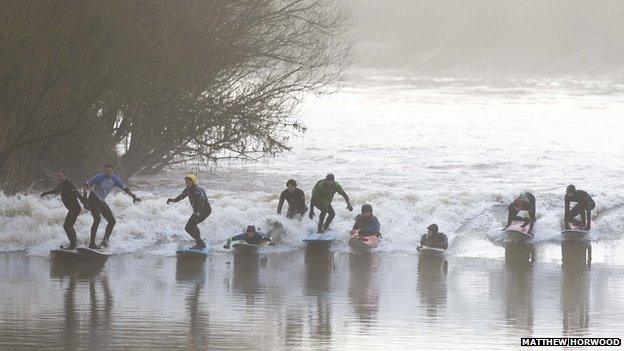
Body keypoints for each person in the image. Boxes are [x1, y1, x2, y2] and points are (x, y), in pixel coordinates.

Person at [83, 164, 140, 249]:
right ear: (104, 171)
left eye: (110, 171)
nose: (109, 173)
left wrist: (134, 196)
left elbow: (125, 189)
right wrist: (85, 200)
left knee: (112, 221)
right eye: (107, 171)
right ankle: (92, 243)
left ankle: (105, 241)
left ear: (113, 171)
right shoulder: (99, 177)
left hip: (101, 201)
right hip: (93, 198)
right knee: (97, 219)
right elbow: (85, 185)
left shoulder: (115, 179)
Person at [40, 169, 89, 249]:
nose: (59, 178)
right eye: (58, 176)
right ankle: (74, 242)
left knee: (66, 226)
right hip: (73, 209)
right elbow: (56, 190)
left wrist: (85, 202)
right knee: (70, 226)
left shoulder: (69, 183)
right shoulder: (62, 183)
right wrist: (46, 193)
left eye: (61, 176)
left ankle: (73, 245)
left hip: (75, 209)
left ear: (64, 175)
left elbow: (77, 194)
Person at [167, 174, 212, 249]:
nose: (187, 183)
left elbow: (202, 203)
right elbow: (180, 197)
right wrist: (172, 200)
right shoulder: (187, 190)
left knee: (189, 227)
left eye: (189, 182)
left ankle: (200, 243)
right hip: (197, 211)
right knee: (189, 227)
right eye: (186, 182)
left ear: (193, 182)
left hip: (205, 210)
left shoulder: (199, 191)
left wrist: (198, 212)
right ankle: (200, 242)